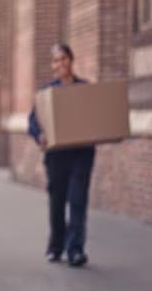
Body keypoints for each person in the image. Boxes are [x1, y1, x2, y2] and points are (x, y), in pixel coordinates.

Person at [28, 44, 94, 267]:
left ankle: (75, 249)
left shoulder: (86, 89)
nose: (60, 64)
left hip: (81, 154)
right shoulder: (47, 93)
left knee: (78, 201)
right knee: (57, 203)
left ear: (71, 61)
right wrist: (40, 136)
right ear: (53, 65)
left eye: (63, 59)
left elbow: (97, 116)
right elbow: (32, 122)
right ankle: (56, 246)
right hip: (57, 156)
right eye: (56, 60)